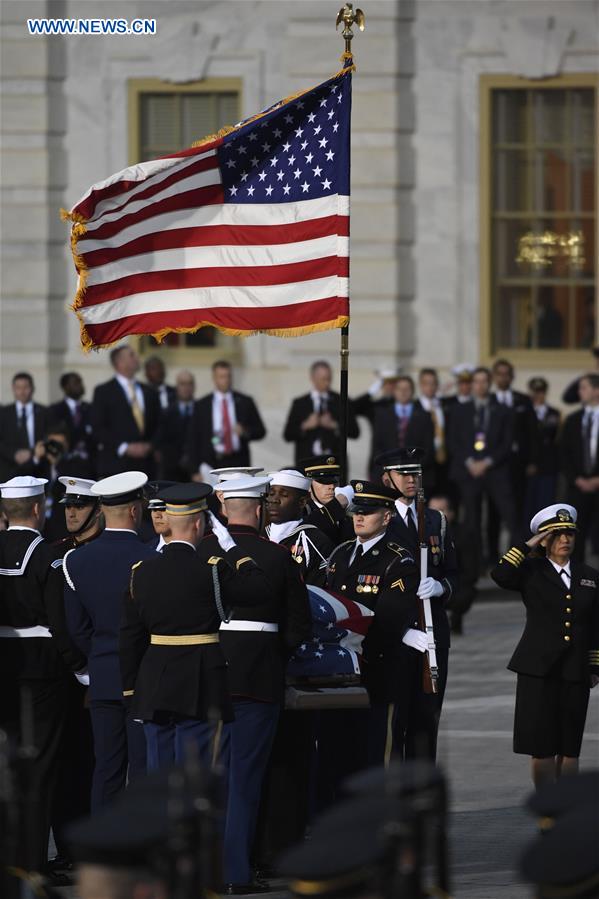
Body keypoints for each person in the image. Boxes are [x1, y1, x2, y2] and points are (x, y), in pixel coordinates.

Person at [197, 475, 311, 894]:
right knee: (244, 779)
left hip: (207, 675)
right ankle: (235, 872)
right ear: (260, 508)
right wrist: (272, 655)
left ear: (225, 508)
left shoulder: (201, 551)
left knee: (207, 776)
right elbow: (298, 626)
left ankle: (203, 867)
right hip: (258, 680)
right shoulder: (278, 556)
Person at [119, 483, 275, 771]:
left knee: (160, 779)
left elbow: (129, 638)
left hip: (154, 683)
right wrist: (233, 548)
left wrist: (131, 692)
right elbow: (261, 589)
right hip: (202, 680)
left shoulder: (140, 573)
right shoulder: (213, 568)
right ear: (200, 524)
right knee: (199, 778)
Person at [0, 476, 87, 879]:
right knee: (39, 768)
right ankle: (30, 863)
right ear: (38, 509)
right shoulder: (47, 559)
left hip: (5, 667)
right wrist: (80, 669)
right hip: (43, 673)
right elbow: (59, 624)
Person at [63, 471, 155, 809]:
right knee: (144, 769)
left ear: (101, 510)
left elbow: (77, 628)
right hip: (144, 678)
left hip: (102, 677)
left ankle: (102, 854)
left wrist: (101, 657)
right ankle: (143, 852)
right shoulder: (152, 559)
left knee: (107, 770)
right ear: (135, 511)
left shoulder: (77, 560)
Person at [491, 504, 599, 790]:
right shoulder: (531, 571)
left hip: (575, 670)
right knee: (542, 747)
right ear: (545, 539)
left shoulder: (589, 575)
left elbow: (596, 625)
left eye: (570, 534)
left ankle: (568, 809)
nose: (565, 540)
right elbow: (500, 575)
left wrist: (595, 664)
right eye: (557, 534)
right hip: (537, 669)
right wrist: (530, 544)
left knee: (570, 747)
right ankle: (547, 810)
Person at [325, 480, 421, 767]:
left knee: (376, 749)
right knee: (341, 748)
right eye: (356, 510)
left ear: (387, 516)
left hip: (377, 668)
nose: (359, 517)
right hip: (340, 669)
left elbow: (389, 620)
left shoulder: (398, 560)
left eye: (367, 511)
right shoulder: (340, 554)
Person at [375, 448, 456, 760]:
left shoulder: (435, 520)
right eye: (403, 474)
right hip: (397, 636)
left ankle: (421, 798)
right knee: (395, 724)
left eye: (415, 474)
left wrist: (440, 587)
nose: (411, 480)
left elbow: (454, 573)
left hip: (433, 634)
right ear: (387, 478)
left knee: (426, 722)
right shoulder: (379, 518)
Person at [48, 476, 102, 876]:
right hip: (68, 678)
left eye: (80, 506)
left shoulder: (103, 555)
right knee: (68, 765)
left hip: (99, 672)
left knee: (97, 764)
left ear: (98, 510)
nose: (71, 512)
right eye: (68, 505)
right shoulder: (55, 555)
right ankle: (69, 846)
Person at [448, 366, 517, 570]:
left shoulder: (503, 410)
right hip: (468, 472)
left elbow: (507, 442)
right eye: (476, 382)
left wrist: (487, 462)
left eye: (484, 381)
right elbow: (453, 441)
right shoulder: (460, 409)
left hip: (495, 470)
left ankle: (513, 565)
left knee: (510, 517)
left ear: (490, 383)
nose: (480, 385)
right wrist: (470, 462)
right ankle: (474, 566)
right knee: (472, 520)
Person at [489, 358, 539, 556]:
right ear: (494, 377)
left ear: (511, 376)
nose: (503, 377)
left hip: (518, 464)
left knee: (517, 511)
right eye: (499, 373)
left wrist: (533, 461)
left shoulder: (522, 400)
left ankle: (515, 553)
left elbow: (533, 432)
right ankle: (492, 555)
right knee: (493, 512)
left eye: (506, 373)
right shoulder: (489, 401)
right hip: (494, 465)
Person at [91, 345, 161, 477]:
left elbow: (160, 424)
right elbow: (98, 427)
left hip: (146, 466)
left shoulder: (150, 391)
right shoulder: (104, 392)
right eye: (131, 355)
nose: (137, 358)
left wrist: (150, 445)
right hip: (116, 466)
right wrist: (124, 447)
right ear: (120, 362)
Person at [188, 360, 266, 477]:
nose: (226, 380)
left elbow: (260, 430)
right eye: (222, 376)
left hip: (239, 462)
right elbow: (193, 439)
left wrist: (245, 431)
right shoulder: (202, 405)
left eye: (229, 376)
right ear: (214, 378)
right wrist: (194, 470)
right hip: (212, 463)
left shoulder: (244, 401)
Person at [265, 469, 334, 587]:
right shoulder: (258, 534)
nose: (274, 500)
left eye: (284, 495)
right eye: (271, 494)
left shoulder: (316, 541)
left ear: (301, 502)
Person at [283, 360, 359, 466]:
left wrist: (335, 425)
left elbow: (354, 432)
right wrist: (305, 425)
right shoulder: (300, 403)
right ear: (313, 378)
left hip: (334, 463)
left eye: (329, 379)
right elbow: (287, 434)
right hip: (307, 463)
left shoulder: (341, 401)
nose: (327, 383)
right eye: (323, 379)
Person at [560, 374, 599, 562]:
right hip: (578, 487)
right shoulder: (573, 420)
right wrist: (576, 478)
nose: (579, 391)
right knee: (576, 536)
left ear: (596, 390)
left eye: (584, 387)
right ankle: (577, 583)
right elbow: (563, 453)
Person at [371, 376, 434, 488]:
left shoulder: (424, 416)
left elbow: (427, 449)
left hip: (415, 477)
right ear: (394, 391)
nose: (403, 392)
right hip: (388, 475)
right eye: (400, 389)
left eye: (407, 389)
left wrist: (410, 469)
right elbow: (377, 446)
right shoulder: (382, 415)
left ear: (413, 391)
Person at [428, 494, 478, 636]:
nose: (437, 515)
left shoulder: (464, 534)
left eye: (442, 510)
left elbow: (470, 569)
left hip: (455, 582)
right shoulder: (421, 534)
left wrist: (448, 585)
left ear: (451, 513)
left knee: (464, 594)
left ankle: (456, 620)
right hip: (428, 583)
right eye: (433, 510)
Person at [352, 368, 402, 477]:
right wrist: (371, 392)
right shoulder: (376, 406)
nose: (390, 387)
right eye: (386, 383)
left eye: (393, 383)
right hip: (379, 460)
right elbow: (352, 407)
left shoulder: (404, 405)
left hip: (400, 460)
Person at [524, 377, 561, 523]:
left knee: (546, 506)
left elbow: (556, 441)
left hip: (548, 467)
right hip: (528, 468)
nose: (538, 395)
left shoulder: (554, 414)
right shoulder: (524, 412)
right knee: (528, 507)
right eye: (535, 391)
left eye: (541, 392)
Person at [0, 371, 49, 481]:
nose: (22, 392)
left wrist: (32, 454)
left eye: (26, 387)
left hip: (37, 470)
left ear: (32, 388)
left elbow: (49, 437)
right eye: (18, 387)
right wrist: (14, 454)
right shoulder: (3, 413)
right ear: (13, 389)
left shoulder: (43, 412)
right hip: (9, 471)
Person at [299, 453, 354, 544]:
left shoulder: (346, 517)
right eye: (324, 481)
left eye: (335, 481)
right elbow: (305, 529)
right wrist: (338, 504)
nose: (332, 486)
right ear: (308, 485)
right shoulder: (302, 512)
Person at [48, 371, 95, 475]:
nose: (80, 386)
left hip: (89, 466)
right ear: (65, 387)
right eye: (75, 383)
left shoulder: (90, 408)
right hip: (64, 466)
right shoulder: (55, 410)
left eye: (80, 382)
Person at [155, 370, 196, 480]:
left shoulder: (202, 410)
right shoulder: (166, 413)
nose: (186, 388)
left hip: (196, 473)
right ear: (177, 386)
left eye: (189, 384)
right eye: (182, 384)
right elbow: (160, 442)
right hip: (172, 473)